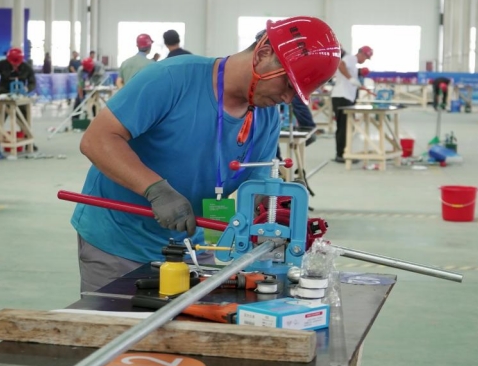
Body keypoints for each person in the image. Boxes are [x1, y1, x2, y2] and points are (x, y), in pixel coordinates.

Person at [72, 16, 341, 294]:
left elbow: (258, 184)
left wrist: (276, 213)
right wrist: (156, 190)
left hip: (193, 247)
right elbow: (97, 140)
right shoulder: (172, 78)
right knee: (117, 319)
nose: (287, 99)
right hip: (118, 243)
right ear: (263, 54)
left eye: (296, 93)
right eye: (287, 85)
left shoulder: (267, 115)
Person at [331, 46, 372, 163]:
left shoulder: (353, 64)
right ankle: (341, 155)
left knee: (347, 127)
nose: (365, 60)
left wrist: (356, 83)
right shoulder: (351, 58)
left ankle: (344, 153)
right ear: (362, 54)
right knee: (344, 127)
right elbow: (340, 65)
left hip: (345, 97)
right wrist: (351, 79)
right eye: (366, 58)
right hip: (342, 97)